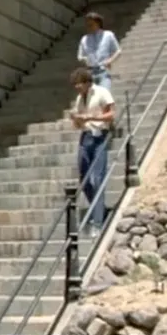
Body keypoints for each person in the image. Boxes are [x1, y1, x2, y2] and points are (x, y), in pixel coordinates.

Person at [69, 68, 115, 233]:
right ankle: (99, 208)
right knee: (84, 177)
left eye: (79, 84)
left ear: (88, 82)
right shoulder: (79, 98)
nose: (77, 87)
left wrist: (91, 117)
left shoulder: (102, 92)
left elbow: (111, 114)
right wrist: (76, 119)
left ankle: (98, 221)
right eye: (75, 85)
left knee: (98, 178)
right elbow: (79, 124)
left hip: (100, 135)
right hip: (86, 135)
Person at [76, 12, 121, 90]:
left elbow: (118, 51)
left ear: (98, 23)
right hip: (90, 73)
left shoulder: (108, 35)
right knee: (93, 96)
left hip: (103, 70)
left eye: (91, 24)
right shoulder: (84, 39)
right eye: (87, 25)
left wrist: (110, 60)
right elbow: (80, 56)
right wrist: (84, 59)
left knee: (104, 92)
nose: (89, 27)